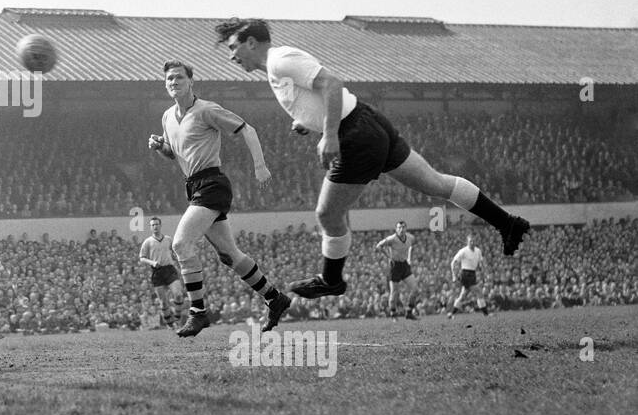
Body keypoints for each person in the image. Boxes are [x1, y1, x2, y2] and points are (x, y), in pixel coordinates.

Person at [215, 18, 530, 299]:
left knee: (327, 214)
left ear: (251, 42)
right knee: (436, 183)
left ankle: (332, 280)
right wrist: (309, 123)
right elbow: (318, 97)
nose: (232, 55)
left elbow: (332, 84)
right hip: (367, 121)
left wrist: (331, 134)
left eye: (233, 47)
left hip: (355, 135)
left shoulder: (280, 60)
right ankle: (508, 223)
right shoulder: (277, 67)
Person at [149, 60, 292, 336]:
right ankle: (275, 298)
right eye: (169, 79)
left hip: (212, 183)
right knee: (229, 255)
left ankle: (198, 313)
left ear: (191, 81)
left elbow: (247, 129)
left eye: (179, 77)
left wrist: (260, 166)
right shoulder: (167, 117)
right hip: (193, 185)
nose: (173, 82)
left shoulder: (206, 110)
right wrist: (160, 147)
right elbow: (173, 153)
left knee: (180, 243)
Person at [138, 216, 185, 329]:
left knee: (178, 294)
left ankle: (177, 318)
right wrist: (152, 263)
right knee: (163, 302)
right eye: (153, 225)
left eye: (157, 224)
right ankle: (170, 324)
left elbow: (175, 251)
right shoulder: (147, 242)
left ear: (160, 225)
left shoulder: (168, 239)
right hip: (157, 272)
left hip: (169, 269)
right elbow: (142, 258)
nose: (155, 227)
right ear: (150, 227)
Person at [374, 221, 419, 320]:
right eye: (399, 228)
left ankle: (409, 312)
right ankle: (393, 314)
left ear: (406, 228)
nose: (401, 229)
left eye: (403, 227)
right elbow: (378, 246)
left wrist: (409, 258)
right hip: (395, 267)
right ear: (396, 229)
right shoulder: (392, 239)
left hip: (405, 265)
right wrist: (388, 256)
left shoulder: (410, 237)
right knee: (394, 292)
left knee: (415, 289)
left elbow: (412, 246)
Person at [448, 233, 490, 317]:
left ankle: (452, 313)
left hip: (473, 274)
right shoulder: (463, 251)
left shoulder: (478, 251)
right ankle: (486, 313)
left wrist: (485, 272)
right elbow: (453, 262)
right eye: (471, 241)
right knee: (478, 291)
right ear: (467, 242)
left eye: (474, 241)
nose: (472, 242)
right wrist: (454, 275)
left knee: (463, 295)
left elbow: (481, 262)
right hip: (465, 274)